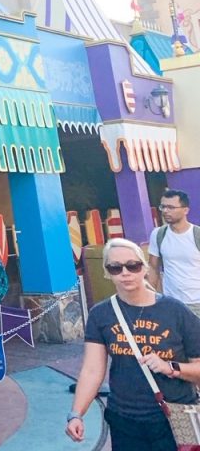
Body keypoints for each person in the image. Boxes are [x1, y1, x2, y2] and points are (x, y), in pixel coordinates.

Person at [67, 238, 200, 450]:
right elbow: (92, 370)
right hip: (125, 419)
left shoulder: (176, 311)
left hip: (176, 417)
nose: (125, 273)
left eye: (133, 265)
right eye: (116, 268)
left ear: (144, 268)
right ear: (107, 272)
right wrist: (76, 414)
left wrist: (172, 368)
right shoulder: (101, 314)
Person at [148, 188, 200, 317]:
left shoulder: (196, 235)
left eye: (171, 207)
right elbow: (153, 267)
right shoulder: (158, 234)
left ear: (185, 210)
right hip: (171, 303)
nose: (165, 211)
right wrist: (151, 299)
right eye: (163, 207)